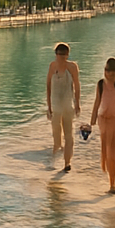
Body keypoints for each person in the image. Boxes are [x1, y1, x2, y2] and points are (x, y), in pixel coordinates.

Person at [90, 57, 115, 195]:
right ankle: (112, 184)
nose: (109, 75)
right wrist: (91, 122)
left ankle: (113, 183)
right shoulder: (101, 84)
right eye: (106, 71)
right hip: (104, 121)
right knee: (107, 152)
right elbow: (96, 103)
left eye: (112, 73)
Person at [45, 42, 81, 172]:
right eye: (59, 54)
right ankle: (54, 158)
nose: (61, 57)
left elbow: (77, 85)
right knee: (56, 132)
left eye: (64, 55)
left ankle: (67, 163)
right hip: (55, 105)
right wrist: (48, 106)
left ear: (67, 55)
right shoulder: (52, 66)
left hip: (67, 104)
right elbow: (48, 85)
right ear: (55, 54)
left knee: (69, 133)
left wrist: (77, 103)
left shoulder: (72, 67)